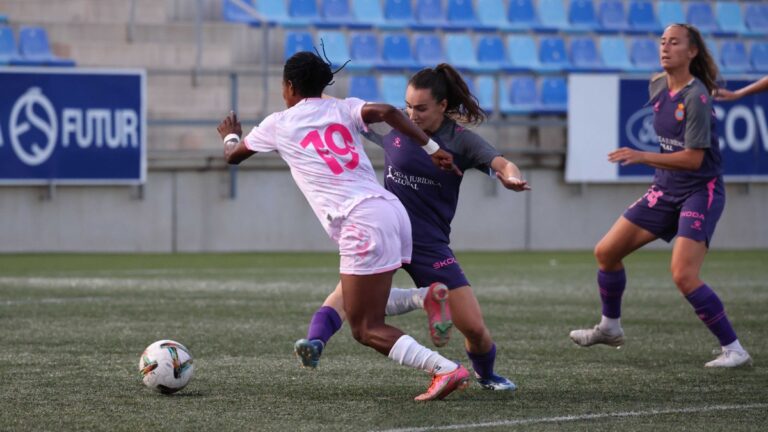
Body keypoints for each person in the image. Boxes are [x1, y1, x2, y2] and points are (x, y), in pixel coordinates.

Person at [217, 51, 471, 401]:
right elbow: (386, 112)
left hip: (359, 220)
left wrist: (230, 136)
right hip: (390, 210)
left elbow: (233, 156)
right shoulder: (342, 107)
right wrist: (430, 147)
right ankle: (423, 296)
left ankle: (444, 369)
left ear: (289, 86)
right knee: (358, 304)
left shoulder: (278, 123)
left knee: (365, 328)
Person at [294, 63, 530, 391]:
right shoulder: (396, 128)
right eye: (407, 107)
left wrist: (511, 176)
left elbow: (501, 163)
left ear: (443, 106)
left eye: (421, 108)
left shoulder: (459, 141)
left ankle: (486, 375)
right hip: (386, 234)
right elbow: (340, 108)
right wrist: (308, 89)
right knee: (345, 299)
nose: (412, 115)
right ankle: (314, 342)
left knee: (474, 330)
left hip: (429, 245)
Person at [569, 24, 752, 368]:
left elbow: (694, 159)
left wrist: (641, 155)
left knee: (683, 274)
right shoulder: (657, 85)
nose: (665, 48)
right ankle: (610, 328)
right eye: (662, 42)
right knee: (607, 252)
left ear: (692, 51)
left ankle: (735, 349)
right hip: (666, 188)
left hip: (700, 190)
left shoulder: (695, 98)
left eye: (674, 42)